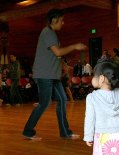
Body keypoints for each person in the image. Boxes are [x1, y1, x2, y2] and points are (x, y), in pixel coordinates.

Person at [22, 9, 87, 140]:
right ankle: (28, 131)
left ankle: (65, 132)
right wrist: (74, 46)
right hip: (45, 75)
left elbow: (55, 56)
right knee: (44, 103)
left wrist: (62, 66)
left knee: (62, 100)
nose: (63, 23)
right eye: (61, 20)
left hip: (52, 75)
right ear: (53, 20)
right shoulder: (47, 32)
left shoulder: (51, 34)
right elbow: (57, 52)